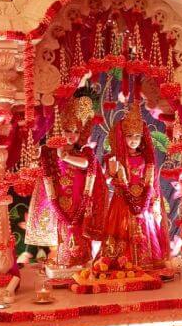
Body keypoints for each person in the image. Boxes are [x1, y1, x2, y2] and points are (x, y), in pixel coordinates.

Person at [25, 96, 107, 270]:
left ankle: (83, 264)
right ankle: (64, 264)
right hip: (60, 202)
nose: (72, 136)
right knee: (63, 232)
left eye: (76, 132)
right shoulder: (49, 153)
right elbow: (35, 159)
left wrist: (66, 156)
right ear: (59, 130)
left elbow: (86, 164)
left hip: (80, 202)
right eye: (68, 131)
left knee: (80, 233)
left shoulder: (84, 152)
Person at [100, 103, 169, 270]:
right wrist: (111, 174)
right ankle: (123, 263)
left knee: (145, 229)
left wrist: (150, 202)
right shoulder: (114, 158)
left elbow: (149, 182)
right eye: (129, 136)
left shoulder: (146, 158)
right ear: (122, 137)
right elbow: (105, 181)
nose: (134, 140)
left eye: (137, 136)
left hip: (143, 200)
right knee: (121, 233)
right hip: (122, 202)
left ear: (142, 138)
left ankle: (146, 262)